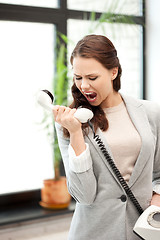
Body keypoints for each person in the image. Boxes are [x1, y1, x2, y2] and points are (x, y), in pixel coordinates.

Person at [53, 34, 160, 240]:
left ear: (113, 72)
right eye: (78, 78)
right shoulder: (70, 124)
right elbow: (83, 195)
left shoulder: (151, 112)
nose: (83, 86)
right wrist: (76, 133)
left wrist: (157, 197)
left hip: (143, 230)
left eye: (92, 78)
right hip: (93, 232)